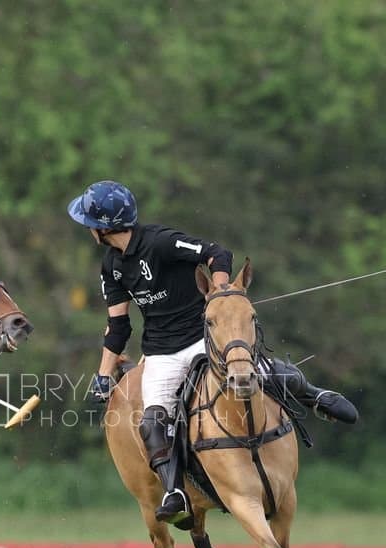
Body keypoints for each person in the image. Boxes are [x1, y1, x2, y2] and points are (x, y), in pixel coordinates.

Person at [67, 180, 356, 527]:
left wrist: (219, 292)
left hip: (204, 338)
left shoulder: (161, 241)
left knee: (264, 370)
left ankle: (314, 395)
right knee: (153, 422)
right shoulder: (111, 267)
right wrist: (102, 374)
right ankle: (174, 492)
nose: (87, 229)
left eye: (89, 223)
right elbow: (119, 327)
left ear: (103, 226)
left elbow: (218, 254)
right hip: (161, 353)